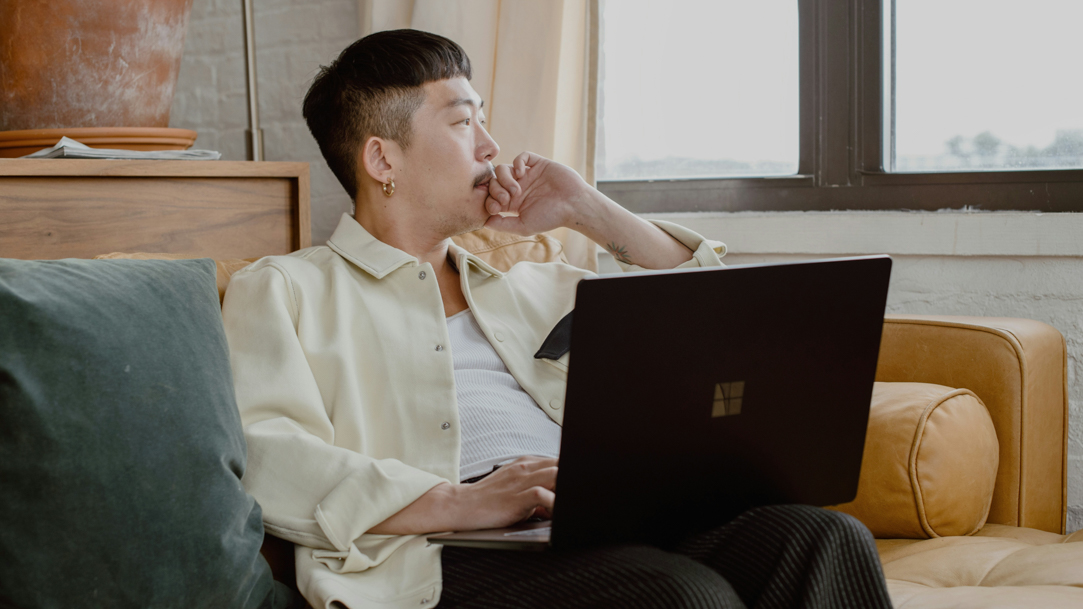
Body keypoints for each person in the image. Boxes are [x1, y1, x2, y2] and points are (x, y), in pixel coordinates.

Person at [222, 29, 893, 609]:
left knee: (826, 538)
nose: (490, 146)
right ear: (381, 159)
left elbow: (712, 321)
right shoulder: (285, 289)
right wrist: (463, 500)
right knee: (681, 596)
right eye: (461, 123)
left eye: (484, 120)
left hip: (600, 515)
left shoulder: (535, 284)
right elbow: (270, 455)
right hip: (443, 546)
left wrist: (585, 210)